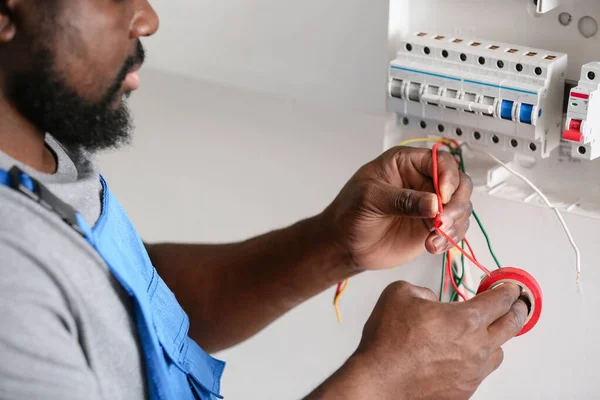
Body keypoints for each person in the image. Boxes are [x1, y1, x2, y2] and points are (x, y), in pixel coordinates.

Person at [0, 1, 528, 399]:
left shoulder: (39, 150)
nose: (147, 19)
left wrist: (333, 244)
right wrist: (384, 384)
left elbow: (120, 307)